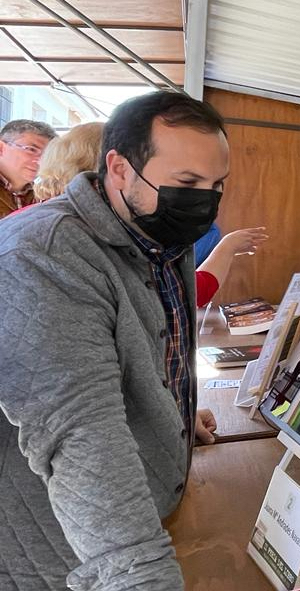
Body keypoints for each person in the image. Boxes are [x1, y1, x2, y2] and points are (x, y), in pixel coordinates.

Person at [0, 92, 231, 590]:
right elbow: (80, 433)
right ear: (120, 169)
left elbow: (152, 353)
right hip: (64, 556)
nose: (205, 202)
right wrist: (141, 579)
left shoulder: (161, 239)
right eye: (187, 183)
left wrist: (173, 415)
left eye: (217, 185)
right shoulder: (43, 254)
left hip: (144, 515)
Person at [11, 119, 267, 307]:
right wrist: (228, 247)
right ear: (116, 169)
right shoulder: (65, 235)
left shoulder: (39, 221)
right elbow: (184, 294)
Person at [0, 118, 57, 217]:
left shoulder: (43, 197)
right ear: (1, 148)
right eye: (31, 150)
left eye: (47, 155)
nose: (40, 161)